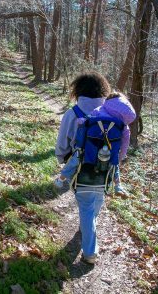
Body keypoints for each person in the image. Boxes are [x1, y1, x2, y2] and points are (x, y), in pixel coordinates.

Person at [55, 72, 110, 264]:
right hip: (105, 171)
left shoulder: (73, 113)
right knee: (95, 202)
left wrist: (62, 159)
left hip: (81, 170)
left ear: (78, 91)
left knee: (86, 207)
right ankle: (87, 228)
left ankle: (90, 252)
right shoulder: (112, 114)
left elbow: (62, 142)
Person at [55, 91, 136, 197]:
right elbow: (125, 142)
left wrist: (80, 121)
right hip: (110, 153)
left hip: (89, 149)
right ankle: (118, 186)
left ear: (109, 101)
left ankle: (61, 179)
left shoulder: (99, 110)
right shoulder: (123, 124)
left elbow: (87, 121)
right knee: (114, 165)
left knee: (74, 160)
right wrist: (120, 157)